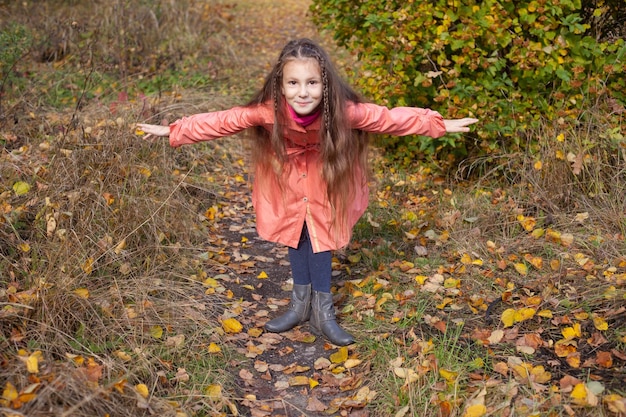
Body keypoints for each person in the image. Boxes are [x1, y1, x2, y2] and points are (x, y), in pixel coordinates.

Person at [137, 38, 478, 346]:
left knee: (321, 234)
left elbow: (386, 119)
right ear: (281, 87)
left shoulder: (343, 112)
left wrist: (436, 124)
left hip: (326, 175)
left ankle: (323, 312)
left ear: (325, 85)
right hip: (285, 176)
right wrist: (174, 130)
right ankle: (299, 306)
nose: (303, 92)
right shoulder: (266, 111)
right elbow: (222, 120)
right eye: (294, 83)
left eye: (312, 83)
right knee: (294, 231)